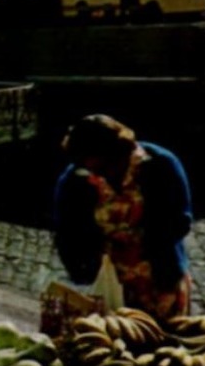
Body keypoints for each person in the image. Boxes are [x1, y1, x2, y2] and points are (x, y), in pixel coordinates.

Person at [54, 115, 194, 321]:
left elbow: (180, 219)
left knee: (165, 342)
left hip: (159, 276)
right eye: (92, 168)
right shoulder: (74, 180)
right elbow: (67, 233)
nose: (101, 174)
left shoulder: (161, 164)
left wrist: (148, 244)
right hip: (109, 280)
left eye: (104, 166)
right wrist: (85, 267)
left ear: (120, 151)